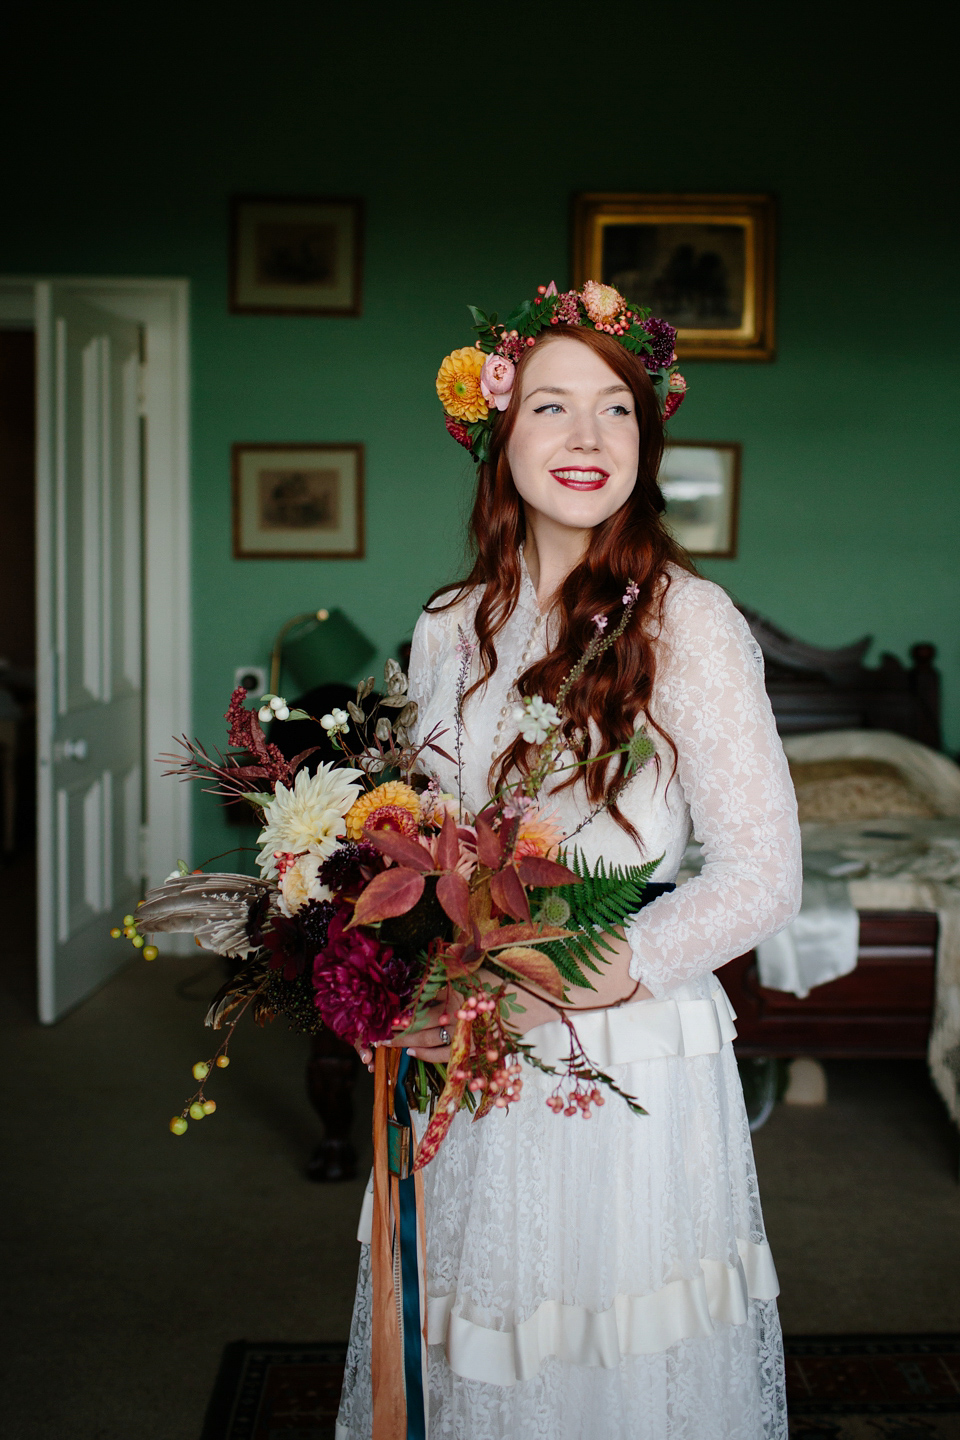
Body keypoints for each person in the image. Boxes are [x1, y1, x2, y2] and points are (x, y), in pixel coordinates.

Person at [336, 284, 801, 1440]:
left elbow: (761, 876)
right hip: (473, 1044)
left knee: (612, 1356)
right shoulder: (448, 623)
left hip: (620, 1037)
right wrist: (410, 981)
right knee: (485, 1339)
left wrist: (563, 977)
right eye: (552, 406)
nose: (588, 438)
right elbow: (430, 840)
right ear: (500, 436)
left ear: (646, 441)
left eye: (616, 411)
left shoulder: (686, 621)